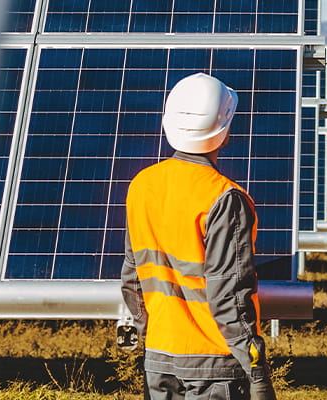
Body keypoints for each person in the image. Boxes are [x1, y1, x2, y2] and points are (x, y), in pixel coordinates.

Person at [121, 73, 276, 400]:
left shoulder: (142, 186)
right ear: (225, 131)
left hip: (159, 358)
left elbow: (133, 278)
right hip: (214, 363)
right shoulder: (224, 197)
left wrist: (144, 336)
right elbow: (230, 294)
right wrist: (256, 367)